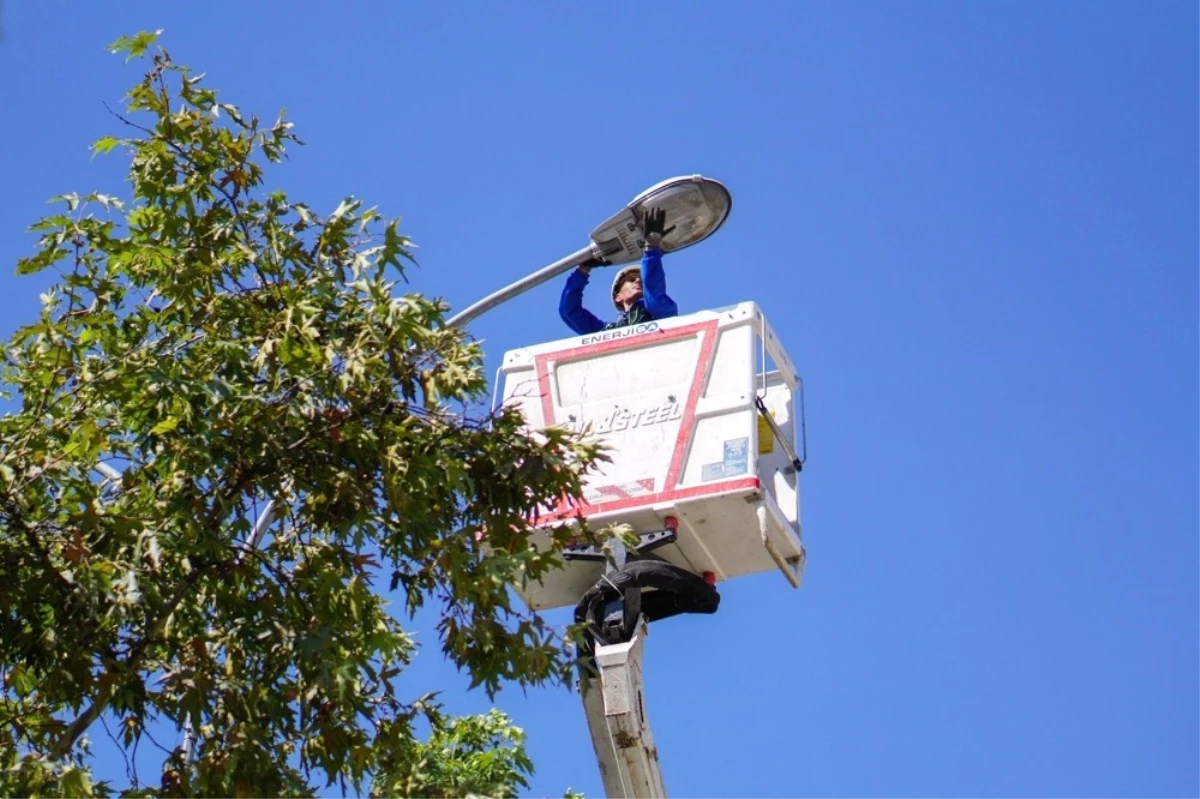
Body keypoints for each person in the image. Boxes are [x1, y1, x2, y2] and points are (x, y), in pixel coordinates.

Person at [558, 208, 679, 334]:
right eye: (631, 280)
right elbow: (569, 312)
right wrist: (582, 271)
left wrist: (652, 248)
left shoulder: (661, 315)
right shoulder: (608, 333)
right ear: (618, 297)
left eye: (641, 280)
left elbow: (653, 293)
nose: (638, 280)